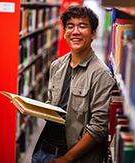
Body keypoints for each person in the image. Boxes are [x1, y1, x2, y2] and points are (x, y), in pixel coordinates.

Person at [31, 5, 116, 163]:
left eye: (82, 26)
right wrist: (32, 109)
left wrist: (67, 158)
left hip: (74, 157)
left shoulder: (100, 75)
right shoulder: (56, 66)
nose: (75, 31)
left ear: (93, 34)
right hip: (43, 151)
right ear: (64, 33)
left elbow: (99, 127)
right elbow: (54, 104)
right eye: (70, 26)